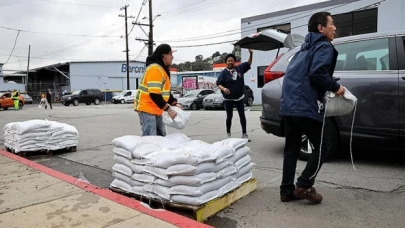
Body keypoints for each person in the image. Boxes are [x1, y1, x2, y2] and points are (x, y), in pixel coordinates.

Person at [278, 12, 345, 204]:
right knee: (324, 145)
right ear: (320, 28)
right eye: (331, 23)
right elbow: (317, 74)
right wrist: (335, 86)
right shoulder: (323, 46)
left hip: (289, 106)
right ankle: (304, 185)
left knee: (291, 150)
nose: (335, 27)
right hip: (304, 106)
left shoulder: (302, 50)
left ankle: (286, 191)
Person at [134, 44, 182, 136]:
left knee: (161, 136)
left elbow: (165, 92)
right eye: (170, 54)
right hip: (147, 108)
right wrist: (168, 109)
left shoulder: (162, 70)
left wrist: (174, 103)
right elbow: (154, 94)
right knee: (151, 138)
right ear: (164, 55)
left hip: (156, 109)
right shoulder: (155, 69)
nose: (172, 57)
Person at [216, 49, 253, 141]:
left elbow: (248, 63)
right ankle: (228, 134)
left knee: (242, 115)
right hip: (228, 99)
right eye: (228, 60)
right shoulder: (223, 73)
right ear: (226, 62)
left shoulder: (239, 68)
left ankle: (244, 134)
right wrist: (224, 89)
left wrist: (251, 53)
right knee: (229, 117)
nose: (230, 62)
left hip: (239, 97)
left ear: (234, 61)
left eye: (232, 60)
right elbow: (218, 84)